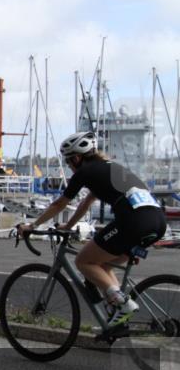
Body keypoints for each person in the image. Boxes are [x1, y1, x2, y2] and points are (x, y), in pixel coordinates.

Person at [17, 131, 167, 327]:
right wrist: (68, 226)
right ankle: (117, 320)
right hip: (157, 222)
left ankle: (123, 304)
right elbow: (86, 203)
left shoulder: (85, 172)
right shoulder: (109, 168)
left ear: (77, 158)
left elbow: (60, 203)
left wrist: (32, 226)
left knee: (83, 261)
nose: (69, 166)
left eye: (68, 162)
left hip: (134, 222)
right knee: (101, 266)